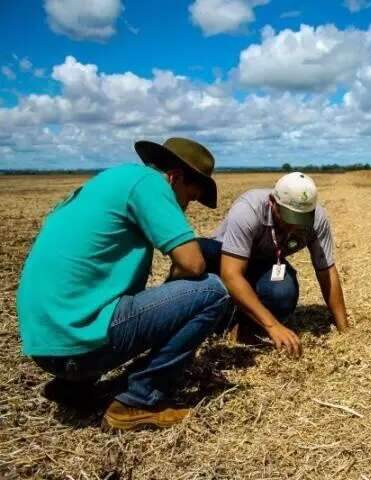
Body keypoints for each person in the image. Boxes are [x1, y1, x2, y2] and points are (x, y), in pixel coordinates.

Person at [17, 137, 230, 430]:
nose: (184, 209)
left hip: (44, 344)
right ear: (176, 177)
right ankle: (138, 401)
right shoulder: (150, 184)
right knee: (211, 291)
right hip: (76, 346)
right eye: (189, 198)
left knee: (115, 300)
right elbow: (193, 263)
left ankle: (73, 387)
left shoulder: (112, 180)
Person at [198, 172, 349, 358]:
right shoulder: (248, 209)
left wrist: (345, 331)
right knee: (199, 253)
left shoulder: (317, 219)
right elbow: (231, 274)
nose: (294, 226)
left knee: (283, 292)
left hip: (263, 262)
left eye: (301, 219)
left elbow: (327, 272)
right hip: (224, 257)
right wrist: (273, 326)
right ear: (272, 202)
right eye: (288, 216)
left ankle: (244, 326)